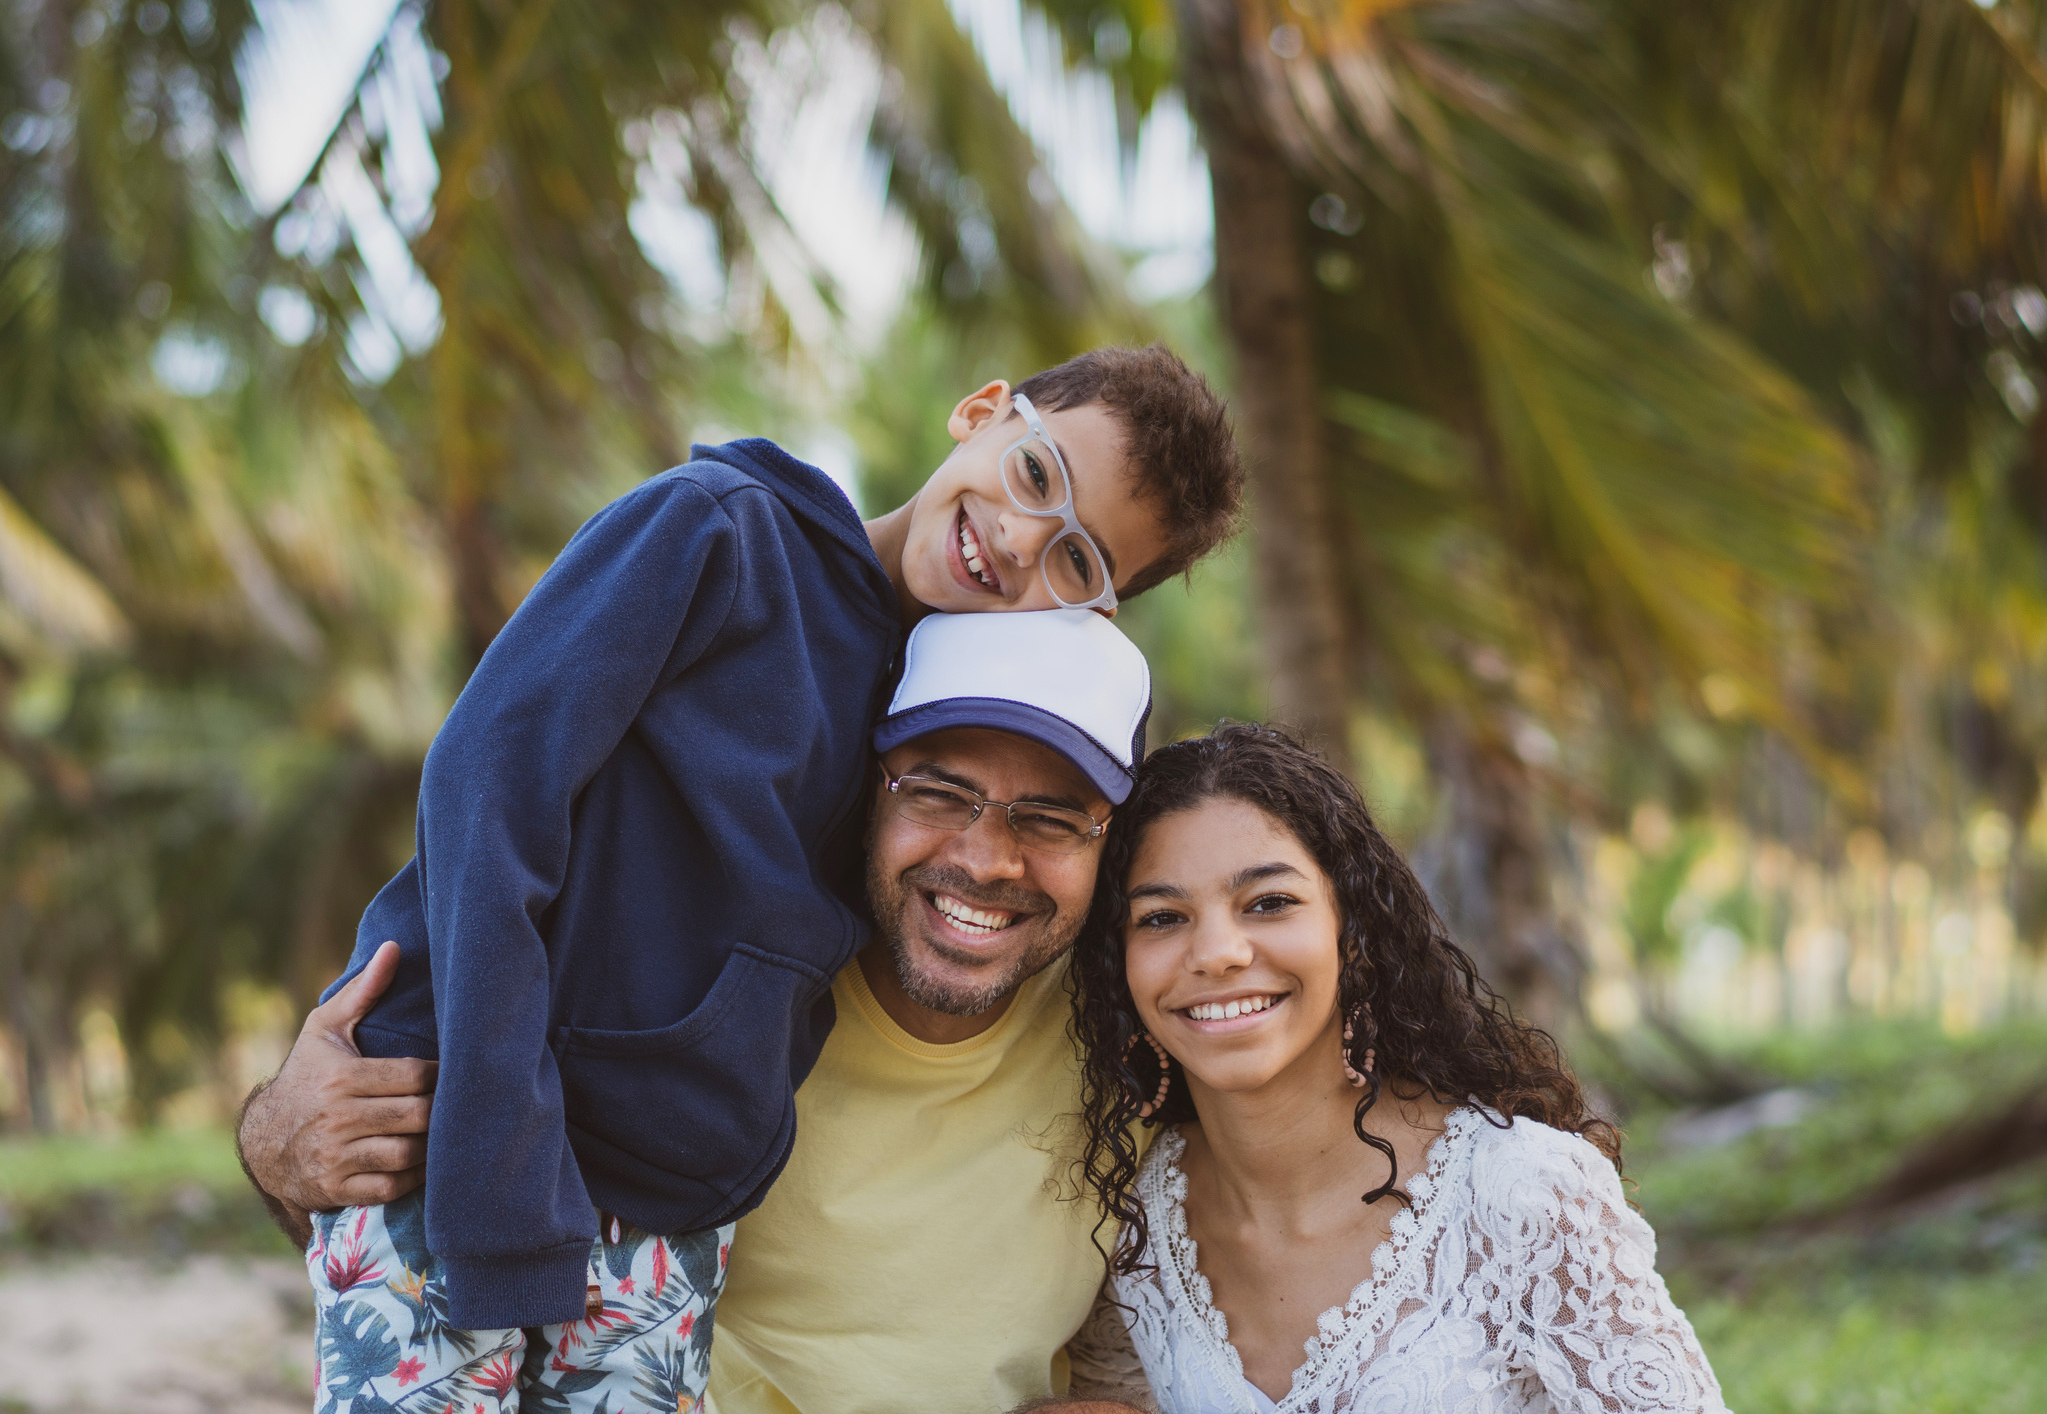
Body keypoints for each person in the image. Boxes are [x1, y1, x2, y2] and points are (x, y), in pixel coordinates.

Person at [281, 342, 1242, 1411]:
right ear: (981, 412)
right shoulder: (716, 531)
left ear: (1094, 611)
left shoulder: (938, 710)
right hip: (480, 1135)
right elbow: (490, 782)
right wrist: (492, 1160)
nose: (1018, 540)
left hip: (665, 1203)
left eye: (1078, 558)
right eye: (1035, 475)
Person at [245, 607, 1164, 1414]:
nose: (987, 859)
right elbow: (413, 1211)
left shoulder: (1141, 1038)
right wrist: (278, 1142)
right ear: (865, 791)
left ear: (1109, 845)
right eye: (936, 791)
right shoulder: (691, 992)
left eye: (1052, 818)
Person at [1062, 723, 1730, 1414]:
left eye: (1268, 903)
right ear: (1117, 964)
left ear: (1352, 934)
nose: (1218, 953)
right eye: (1161, 917)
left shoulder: (1519, 1193)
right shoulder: (1134, 1219)